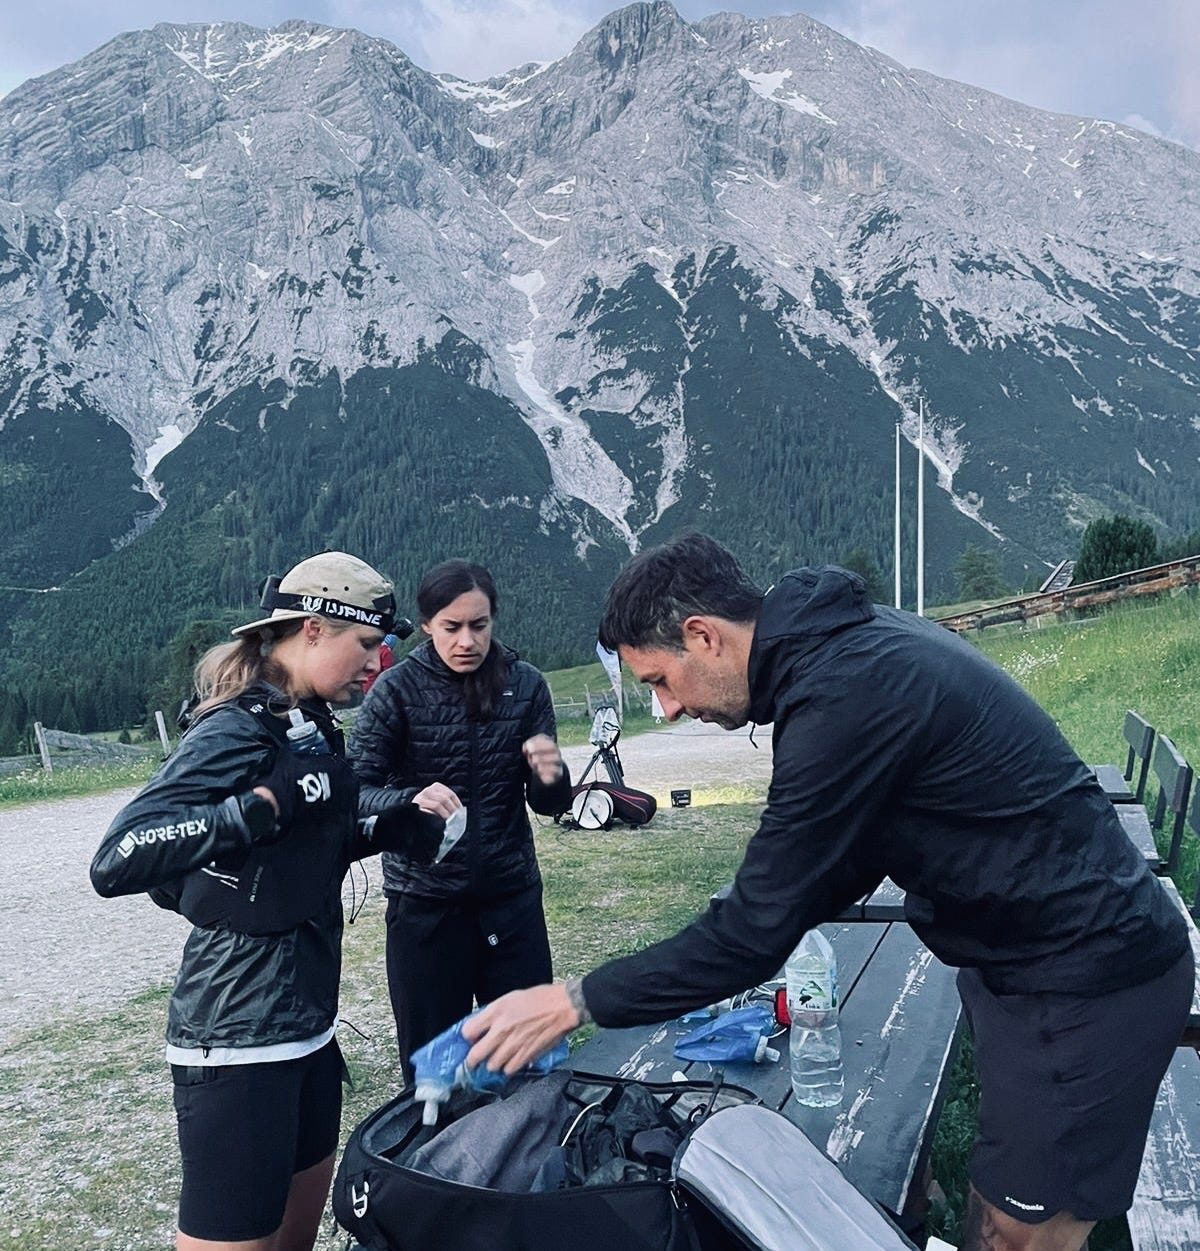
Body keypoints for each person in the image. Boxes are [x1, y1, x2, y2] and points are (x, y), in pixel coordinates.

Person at [463, 532, 1192, 1251]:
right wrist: (760, 910)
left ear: (703, 636)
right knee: (993, 1202)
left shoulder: (844, 692)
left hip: (1087, 978)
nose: (669, 710)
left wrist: (574, 1000)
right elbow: (838, 859)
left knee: (1023, 1231)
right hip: (1022, 965)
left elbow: (752, 934)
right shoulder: (839, 651)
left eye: (659, 680)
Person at [90, 551, 452, 1251]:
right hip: (235, 1041)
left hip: (309, 1030)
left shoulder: (308, 721)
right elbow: (117, 857)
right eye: (368, 645)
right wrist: (256, 806)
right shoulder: (235, 729)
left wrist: (388, 826)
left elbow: (299, 851)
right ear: (314, 628)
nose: (377, 665)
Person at [348, 558, 572, 1071]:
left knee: (527, 1058)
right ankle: (431, 1150)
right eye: (452, 627)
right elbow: (354, 792)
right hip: (425, 906)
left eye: (479, 625)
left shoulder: (527, 685)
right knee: (432, 1068)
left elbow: (549, 806)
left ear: (494, 619)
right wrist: (408, 799)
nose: (467, 641)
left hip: (510, 899)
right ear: (427, 625)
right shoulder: (395, 692)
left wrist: (552, 774)